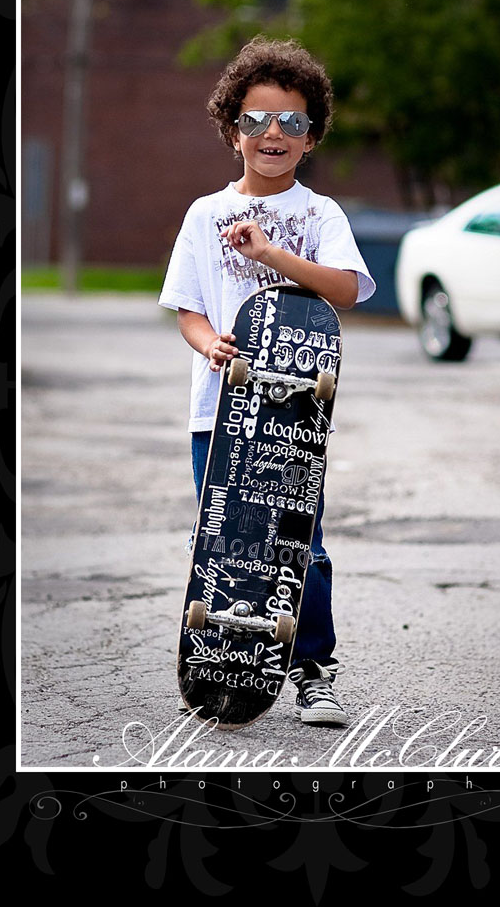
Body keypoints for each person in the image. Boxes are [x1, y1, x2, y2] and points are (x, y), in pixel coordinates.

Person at [159, 36, 375, 725]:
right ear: (232, 131)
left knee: (297, 546)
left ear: (311, 138)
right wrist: (209, 343)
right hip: (216, 415)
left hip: (294, 421)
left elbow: (345, 289)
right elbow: (190, 310)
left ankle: (313, 666)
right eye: (255, 121)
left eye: (290, 122)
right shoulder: (203, 214)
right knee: (223, 544)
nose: (272, 134)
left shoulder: (320, 216)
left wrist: (272, 252)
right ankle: (226, 662)